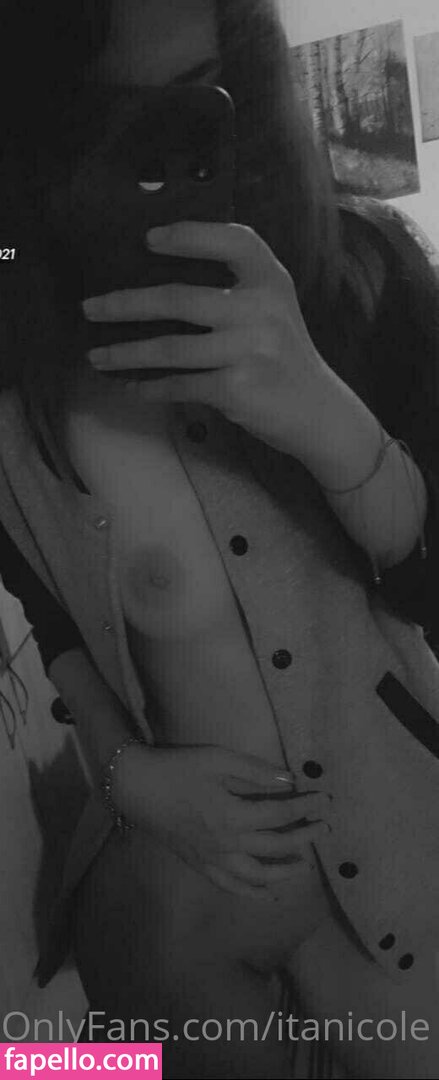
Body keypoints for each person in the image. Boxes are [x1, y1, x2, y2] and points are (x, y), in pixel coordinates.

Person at [1, 1, 439, 1077]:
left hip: (400, 849)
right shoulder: (23, 392)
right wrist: (125, 777)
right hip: (179, 902)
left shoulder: (368, 274)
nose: (149, 161)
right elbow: (46, 604)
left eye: (194, 104)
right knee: (54, 1061)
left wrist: (324, 416)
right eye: (102, 122)